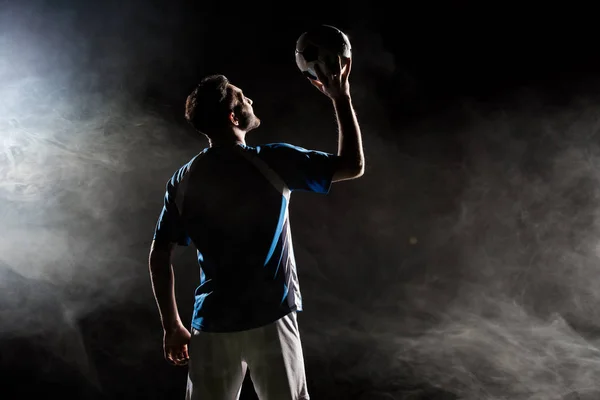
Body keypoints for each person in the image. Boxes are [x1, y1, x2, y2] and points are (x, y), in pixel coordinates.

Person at [148, 56, 364, 400]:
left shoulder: (184, 179)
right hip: (271, 316)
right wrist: (341, 97)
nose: (250, 100)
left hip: (212, 323)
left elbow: (160, 253)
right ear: (234, 117)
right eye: (242, 97)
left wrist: (172, 325)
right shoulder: (272, 160)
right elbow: (353, 165)